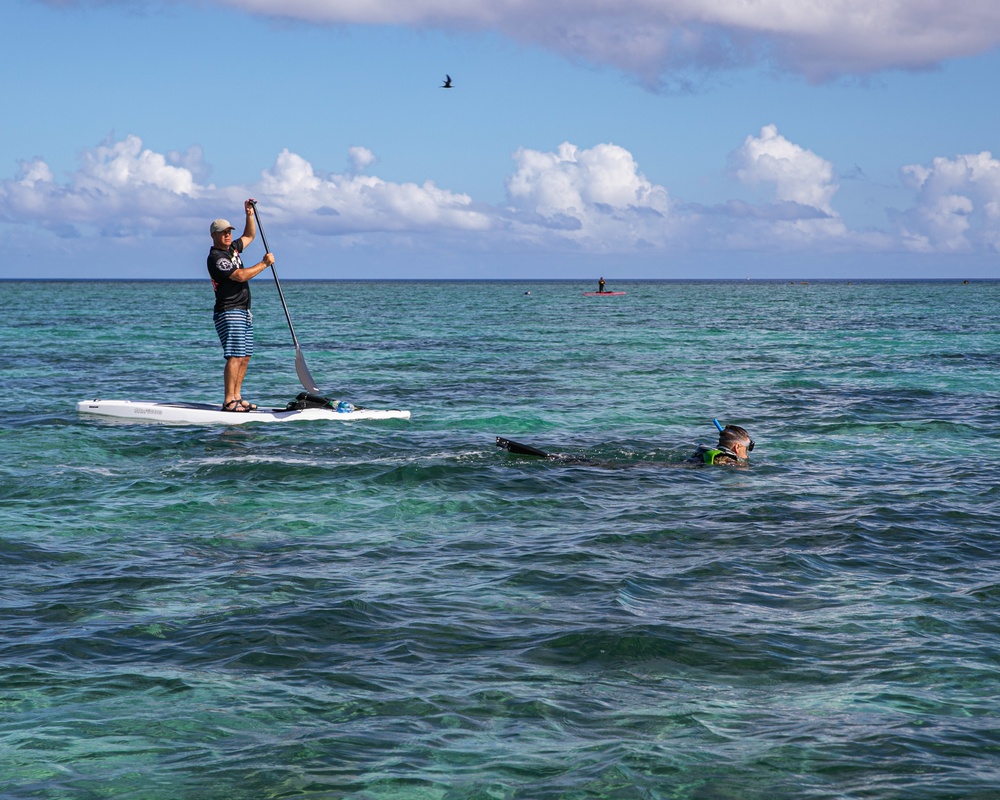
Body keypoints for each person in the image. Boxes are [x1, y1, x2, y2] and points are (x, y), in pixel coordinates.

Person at [206, 199, 275, 412]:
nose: (228, 235)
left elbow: (250, 236)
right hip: (229, 311)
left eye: (229, 231)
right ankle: (229, 400)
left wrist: (249, 215)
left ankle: (237, 396)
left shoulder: (233, 249)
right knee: (235, 355)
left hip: (244, 311)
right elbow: (240, 276)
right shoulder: (217, 258)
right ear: (214, 235)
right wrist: (263, 264)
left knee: (245, 356)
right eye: (223, 232)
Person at [496, 421, 755, 467]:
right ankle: (548, 459)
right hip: (659, 470)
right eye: (745, 450)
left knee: (586, 462)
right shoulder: (726, 461)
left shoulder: (707, 450)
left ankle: (548, 457)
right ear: (735, 449)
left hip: (662, 465)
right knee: (593, 465)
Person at [687, 424, 754, 466]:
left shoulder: (706, 453)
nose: (746, 455)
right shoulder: (729, 461)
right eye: (746, 449)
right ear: (737, 447)